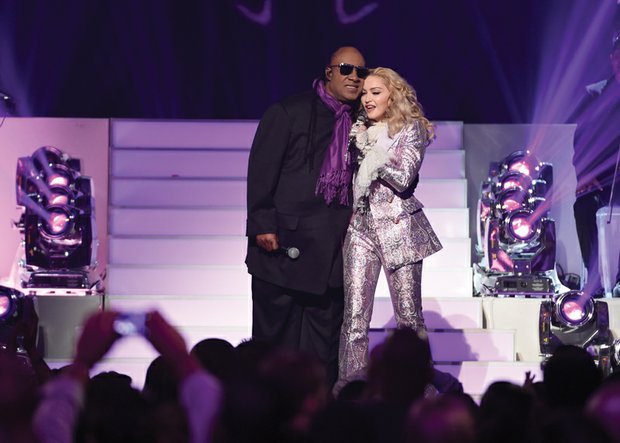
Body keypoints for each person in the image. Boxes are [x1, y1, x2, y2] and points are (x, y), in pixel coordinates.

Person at [245, 46, 368, 386]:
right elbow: (261, 170)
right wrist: (262, 224)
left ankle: (315, 421)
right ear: (329, 72)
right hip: (283, 248)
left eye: (361, 71)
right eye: (346, 69)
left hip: (330, 255)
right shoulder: (289, 111)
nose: (354, 77)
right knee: (273, 346)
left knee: (321, 353)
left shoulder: (362, 122)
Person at [337, 67, 442, 388]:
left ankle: (418, 390)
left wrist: (371, 150)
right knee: (354, 320)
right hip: (360, 228)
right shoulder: (357, 132)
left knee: (409, 320)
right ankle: (350, 389)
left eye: (375, 92)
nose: (367, 99)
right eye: (365, 93)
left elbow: (403, 177)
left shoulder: (411, 130)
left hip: (399, 230)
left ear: (393, 95)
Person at [572, 31, 620, 297]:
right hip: (602, 178)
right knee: (583, 206)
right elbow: (580, 143)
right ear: (612, 60)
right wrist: (585, 174)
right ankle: (595, 276)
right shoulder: (597, 95)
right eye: (617, 57)